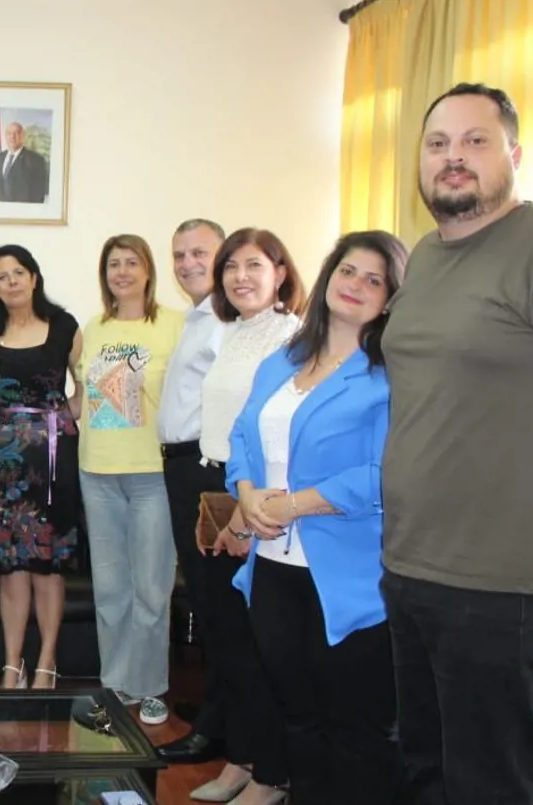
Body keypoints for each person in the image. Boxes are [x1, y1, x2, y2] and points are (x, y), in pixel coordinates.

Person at [381, 82, 533, 805]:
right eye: (438, 143)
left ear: (515, 155)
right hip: (412, 563)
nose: (454, 157)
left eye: (475, 141)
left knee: (484, 787)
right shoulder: (427, 256)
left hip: (505, 579)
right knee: (425, 773)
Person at [227, 231, 406, 805]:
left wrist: (295, 504)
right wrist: (247, 493)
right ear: (329, 275)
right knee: (297, 717)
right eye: (348, 271)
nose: (355, 285)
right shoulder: (283, 360)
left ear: (391, 298)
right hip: (273, 568)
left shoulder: (389, 374)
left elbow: (387, 470)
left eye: (374, 280)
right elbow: (242, 435)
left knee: (355, 727)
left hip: (350, 576)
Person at [191, 227, 305, 805]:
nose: (240, 277)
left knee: (259, 645)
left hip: (254, 499)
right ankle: (241, 757)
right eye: (231, 266)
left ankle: (273, 774)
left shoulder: (292, 337)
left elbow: (275, 431)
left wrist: (242, 509)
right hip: (217, 486)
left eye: (254, 265)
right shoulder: (232, 331)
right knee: (225, 636)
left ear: (280, 273)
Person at [77, 234, 184, 724]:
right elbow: (81, 398)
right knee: (110, 589)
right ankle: (116, 685)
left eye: (131, 263)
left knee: (151, 589)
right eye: (113, 264)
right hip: (97, 471)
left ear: (148, 271)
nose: (122, 272)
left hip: (151, 474)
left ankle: (151, 686)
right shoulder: (93, 327)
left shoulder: (174, 325)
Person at [0, 244, 82, 690]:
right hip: (2, 462)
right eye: (2, 276)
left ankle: (46, 663)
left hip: (53, 462)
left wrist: (65, 416)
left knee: (48, 565)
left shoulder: (64, 326)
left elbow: (90, 383)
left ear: (34, 277)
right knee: (11, 565)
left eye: (19, 272)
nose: (12, 282)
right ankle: (11, 665)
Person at [154, 218, 230, 764]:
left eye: (199, 252)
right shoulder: (196, 318)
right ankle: (218, 717)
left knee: (219, 603)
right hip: (183, 469)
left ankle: (220, 729)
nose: (187, 264)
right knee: (207, 601)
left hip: (210, 472)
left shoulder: (227, 320)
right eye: (179, 255)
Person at [0, 122, 50, 203]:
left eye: (17, 133)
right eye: (9, 133)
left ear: (23, 136)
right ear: (5, 136)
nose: (12, 137)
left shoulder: (36, 160)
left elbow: (37, 196)